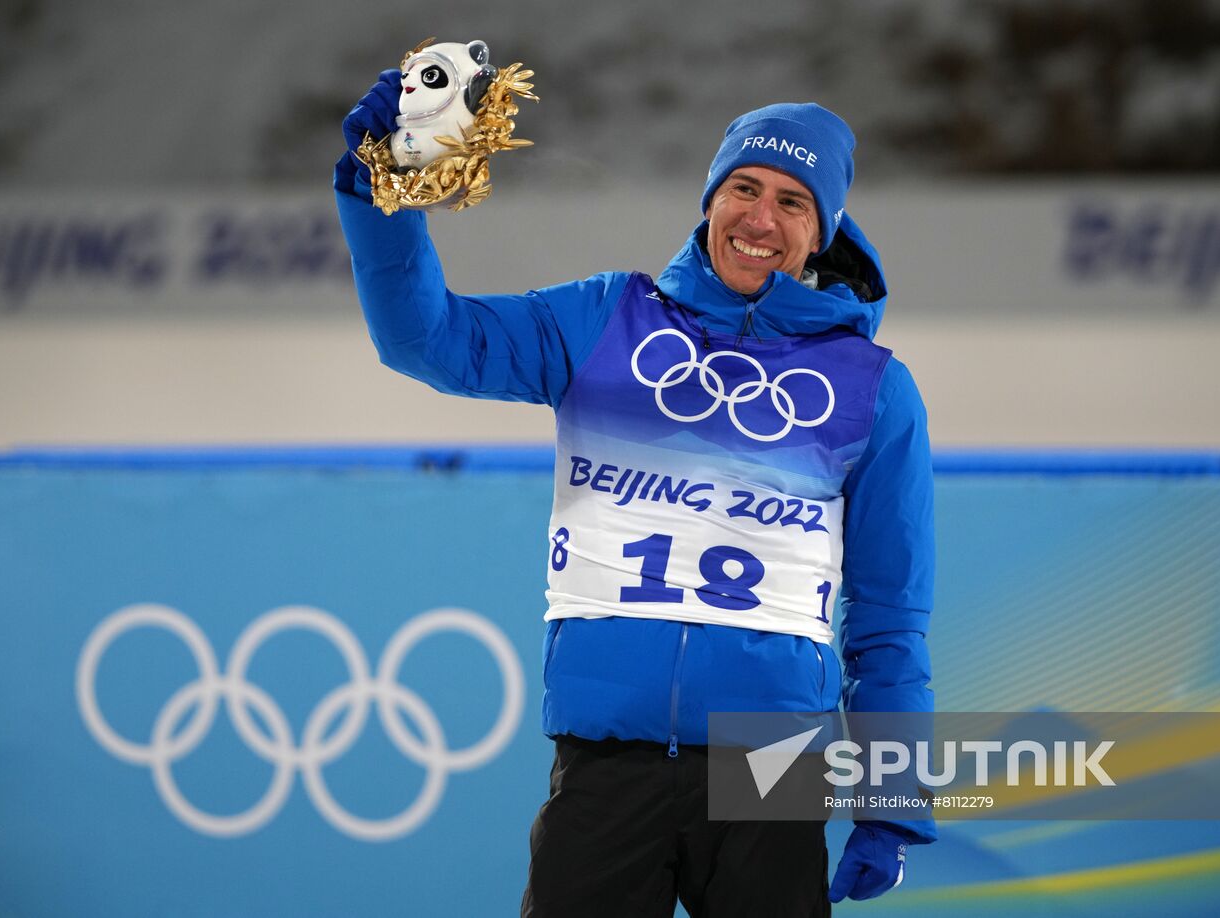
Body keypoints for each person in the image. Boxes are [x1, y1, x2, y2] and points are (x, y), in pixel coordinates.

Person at [335, 71, 936, 917]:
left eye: (793, 203)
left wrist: (890, 803)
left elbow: (889, 621)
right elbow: (425, 339)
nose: (761, 219)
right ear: (710, 199)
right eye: (744, 188)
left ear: (822, 229)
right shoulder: (605, 322)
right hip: (607, 758)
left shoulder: (874, 388)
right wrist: (381, 197)